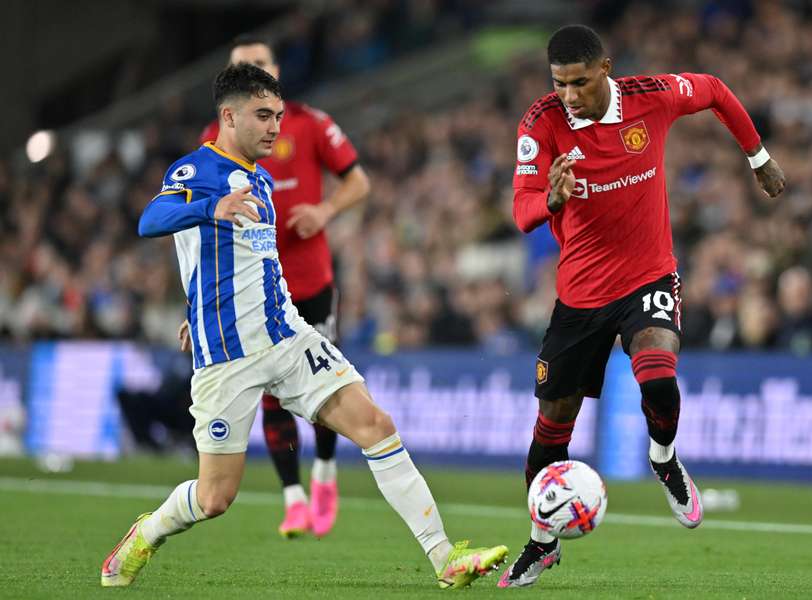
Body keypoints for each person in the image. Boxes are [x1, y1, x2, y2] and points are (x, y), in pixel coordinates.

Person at [101, 63, 508, 589]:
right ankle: (146, 533)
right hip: (228, 357)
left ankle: (444, 558)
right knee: (214, 498)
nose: (274, 127)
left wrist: (197, 303)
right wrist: (211, 206)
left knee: (377, 426)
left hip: (289, 337)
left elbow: (248, 263)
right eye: (262, 116)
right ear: (228, 116)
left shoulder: (261, 179)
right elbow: (149, 220)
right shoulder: (197, 170)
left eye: (278, 116)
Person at [498, 25, 785, 588]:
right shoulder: (540, 123)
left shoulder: (650, 97)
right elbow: (522, 209)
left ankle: (663, 458)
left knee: (657, 378)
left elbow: (715, 90)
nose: (570, 96)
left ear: (605, 67)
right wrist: (551, 198)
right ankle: (542, 543)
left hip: (648, 276)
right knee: (550, 432)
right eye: (560, 84)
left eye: (579, 83)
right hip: (580, 295)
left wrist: (758, 157)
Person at [194, 35, 371, 539]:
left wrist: (326, 210)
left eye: (260, 65)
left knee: (325, 385)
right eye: (241, 68)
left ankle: (325, 474)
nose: (252, 73)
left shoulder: (310, 123)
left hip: (311, 281)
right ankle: (293, 498)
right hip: (252, 293)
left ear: (276, 71)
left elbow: (359, 180)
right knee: (271, 395)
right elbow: (196, 230)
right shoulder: (213, 139)